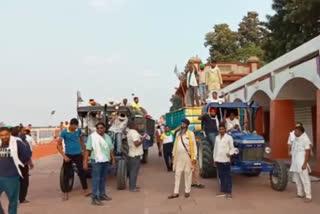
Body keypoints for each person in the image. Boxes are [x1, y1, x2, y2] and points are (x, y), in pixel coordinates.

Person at [0, 127, 31, 214]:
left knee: (13, 202)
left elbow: (26, 156)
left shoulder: (17, 142)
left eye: (6, 134)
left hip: (11, 177)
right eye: (1, 135)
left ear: (9, 134)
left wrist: (16, 163)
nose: (4, 137)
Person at [57, 118, 90, 201]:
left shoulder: (78, 131)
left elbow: (82, 141)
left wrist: (83, 150)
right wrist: (64, 156)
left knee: (82, 171)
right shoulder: (64, 132)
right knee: (66, 174)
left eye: (76, 126)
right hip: (68, 155)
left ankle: (85, 190)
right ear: (70, 124)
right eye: (74, 126)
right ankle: (65, 193)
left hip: (78, 154)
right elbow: (58, 145)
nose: (75, 128)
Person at [84, 123, 115, 206]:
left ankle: (102, 195)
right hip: (96, 161)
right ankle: (94, 198)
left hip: (105, 161)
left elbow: (111, 149)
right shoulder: (92, 137)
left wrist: (113, 159)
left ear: (104, 129)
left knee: (103, 179)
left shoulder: (108, 137)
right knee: (96, 180)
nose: (99, 129)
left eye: (101, 128)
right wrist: (85, 162)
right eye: (97, 128)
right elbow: (87, 150)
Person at [168, 119, 197, 199]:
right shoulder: (178, 133)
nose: (182, 125)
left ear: (187, 125)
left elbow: (194, 146)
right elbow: (175, 145)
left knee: (188, 173)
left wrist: (194, 157)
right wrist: (173, 155)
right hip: (178, 157)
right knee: (177, 174)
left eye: (183, 124)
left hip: (188, 157)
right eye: (181, 124)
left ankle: (187, 191)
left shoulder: (191, 134)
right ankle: (176, 192)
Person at [289, 126, 312, 203]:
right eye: (294, 131)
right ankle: (300, 193)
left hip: (302, 162)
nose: (294, 133)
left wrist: (305, 163)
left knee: (305, 180)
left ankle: (308, 196)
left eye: (296, 131)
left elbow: (308, 152)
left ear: (301, 132)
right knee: (297, 179)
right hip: (295, 162)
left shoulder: (305, 139)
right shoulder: (295, 139)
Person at [11, 127, 33, 204]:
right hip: (19, 164)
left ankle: (19, 198)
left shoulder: (24, 140)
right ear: (19, 132)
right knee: (23, 182)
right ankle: (21, 198)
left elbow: (27, 153)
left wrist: (30, 161)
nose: (25, 132)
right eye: (23, 130)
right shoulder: (17, 141)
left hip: (23, 164)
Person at [213, 124, 235, 199]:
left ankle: (229, 192)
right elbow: (215, 149)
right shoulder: (217, 138)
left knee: (228, 176)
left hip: (226, 160)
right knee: (221, 176)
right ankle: (222, 191)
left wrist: (229, 154)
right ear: (218, 130)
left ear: (225, 130)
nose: (221, 130)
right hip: (219, 160)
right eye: (220, 129)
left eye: (222, 129)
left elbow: (232, 148)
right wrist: (214, 159)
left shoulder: (229, 138)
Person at [127, 122, 148, 192]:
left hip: (132, 153)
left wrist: (142, 137)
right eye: (137, 125)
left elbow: (139, 137)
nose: (138, 126)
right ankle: (132, 187)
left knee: (132, 171)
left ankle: (132, 185)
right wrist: (143, 139)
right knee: (134, 171)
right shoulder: (134, 133)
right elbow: (136, 144)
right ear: (133, 125)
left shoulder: (130, 132)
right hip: (135, 154)